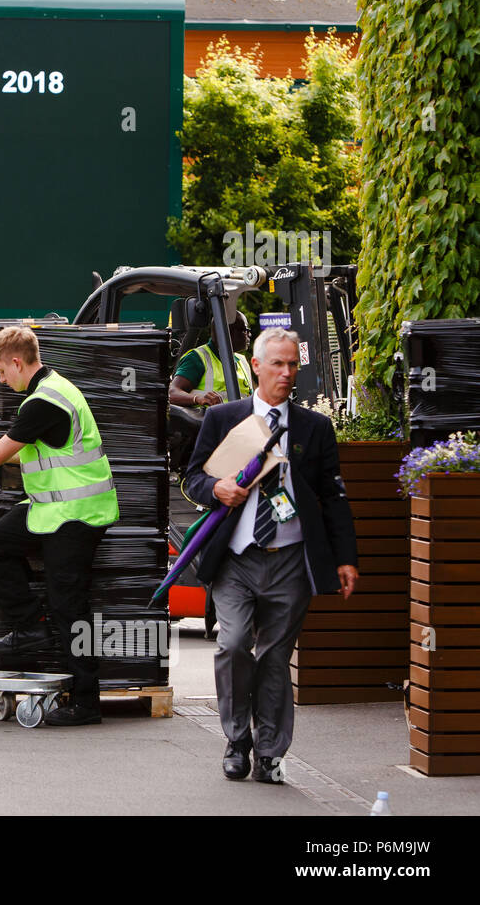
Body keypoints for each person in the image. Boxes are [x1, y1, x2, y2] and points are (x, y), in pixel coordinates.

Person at [185, 327, 358, 783]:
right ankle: (236, 739)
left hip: (290, 558)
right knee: (234, 643)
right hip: (237, 558)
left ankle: (270, 753)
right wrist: (216, 488)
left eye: (292, 365)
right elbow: (192, 479)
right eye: (277, 364)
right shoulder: (224, 418)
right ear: (256, 366)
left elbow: (333, 496)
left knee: (276, 658)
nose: (286, 373)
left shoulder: (314, 427)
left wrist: (345, 558)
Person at [0, 325, 118, 726]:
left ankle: (87, 703)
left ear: (17, 362)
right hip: (52, 508)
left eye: (1, 371)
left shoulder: (44, 403)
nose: (0, 379)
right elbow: (14, 454)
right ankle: (30, 624)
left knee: (69, 606)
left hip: (78, 516)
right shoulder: (48, 392)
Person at [169, 311, 253, 409]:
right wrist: (198, 398)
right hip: (210, 422)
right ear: (227, 331)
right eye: (245, 330)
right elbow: (172, 392)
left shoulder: (242, 361)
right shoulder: (197, 358)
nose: (249, 334)